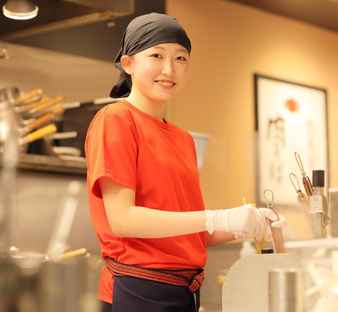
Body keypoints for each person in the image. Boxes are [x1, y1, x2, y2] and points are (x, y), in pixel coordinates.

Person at [85, 12, 285, 312]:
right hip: (136, 291)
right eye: (157, 55)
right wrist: (215, 216)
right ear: (128, 64)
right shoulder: (115, 120)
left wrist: (246, 223)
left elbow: (187, 231)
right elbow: (123, 220)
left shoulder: (183, 139)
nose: (170, 69)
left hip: (184, 293)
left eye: (181, 58)